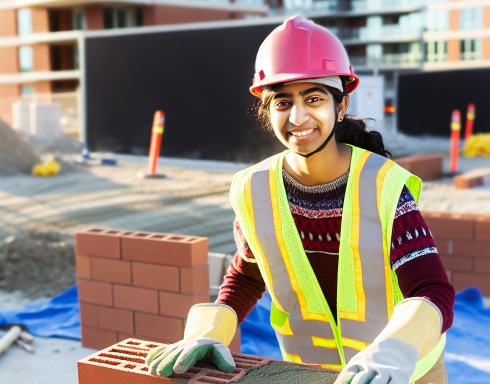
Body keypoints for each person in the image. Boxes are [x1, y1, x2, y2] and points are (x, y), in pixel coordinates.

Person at [145, 15, 455, 384]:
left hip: (404, 374)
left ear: (340, 106)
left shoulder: (384, 186)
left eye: (313, 98)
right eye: (282, 102)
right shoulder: (254, 188)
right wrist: (208, 330)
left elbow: (432, 289)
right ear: (267, 110)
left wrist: (396, 348)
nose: (298, 117)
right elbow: (248, 274)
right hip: (313, 375)